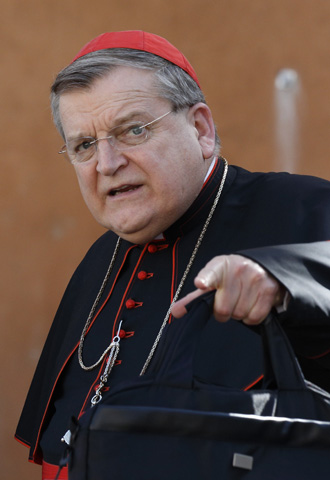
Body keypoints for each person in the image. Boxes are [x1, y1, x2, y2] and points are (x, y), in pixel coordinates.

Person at [15, 30, 330, 479]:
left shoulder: (305, 209)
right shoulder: (96, 263)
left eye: (133, 129)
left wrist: (287, 281)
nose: (106, 163)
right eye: (84, 145)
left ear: (200, 129)